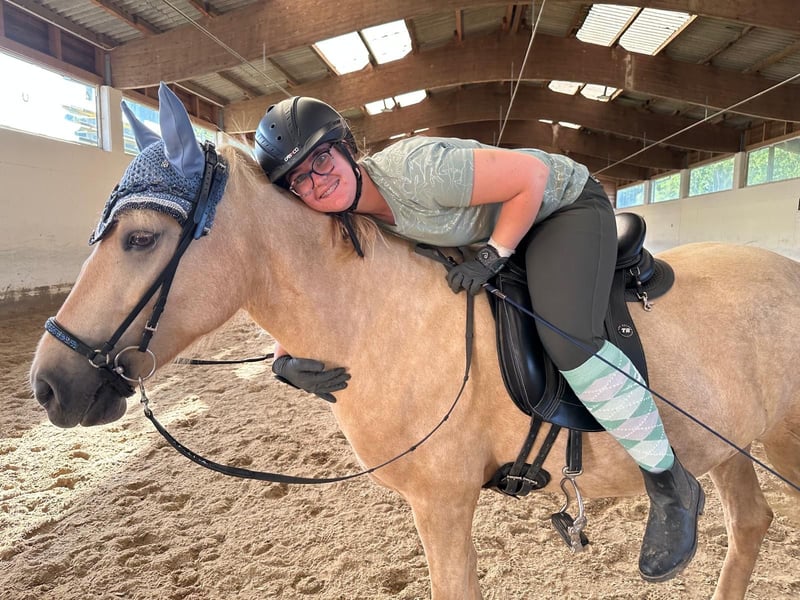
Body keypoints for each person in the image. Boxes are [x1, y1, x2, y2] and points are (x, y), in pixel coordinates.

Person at [253, 96, 704, 582]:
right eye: (300, 179)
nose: (317, 181)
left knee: (569, 338)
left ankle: (670, 485)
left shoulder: (417, 170)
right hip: (503, 222)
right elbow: (318, 291)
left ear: (346, 148)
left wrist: (493, 255)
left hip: (558, 207)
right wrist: (283, 359)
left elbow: (531, 177)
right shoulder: (347, 213)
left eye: (321, 159)